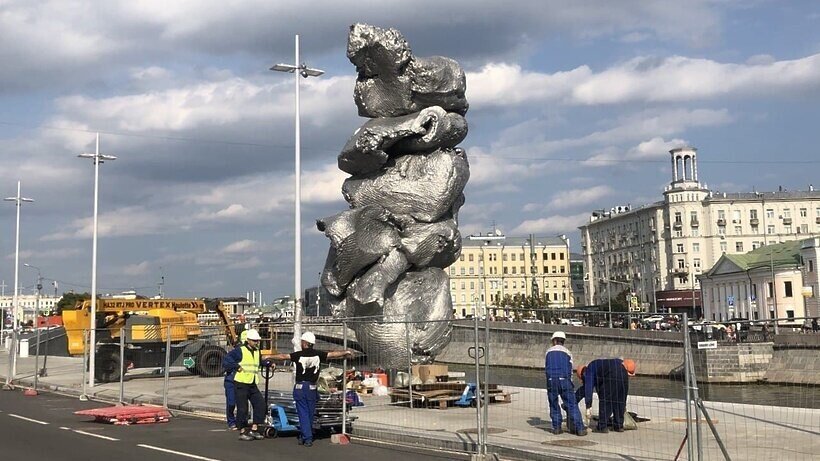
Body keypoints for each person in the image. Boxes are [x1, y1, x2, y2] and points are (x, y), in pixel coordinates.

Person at [268, 331, 353, 447]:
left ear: (305, 343)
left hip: (300, 388)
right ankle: (304, 435)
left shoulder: (298, 355)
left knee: (302, 413)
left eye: (302, 341)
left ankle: (307, 437)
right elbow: (333, 354)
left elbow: (283, 356)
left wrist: (268, 356)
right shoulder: (318, 354)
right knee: (309, 413)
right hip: (312, 388)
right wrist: (346, 352)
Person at [222, 329, 266, 441]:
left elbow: (259, 362)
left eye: (257, 341)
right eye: (254, 341)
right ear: (248, 341)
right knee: (242, 409)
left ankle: (254, 429)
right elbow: (227, 359)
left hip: (252, 382)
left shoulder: (257, 351)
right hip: (241, 383)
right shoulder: (240, 351)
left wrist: (269, 363)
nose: (256, 342)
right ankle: (242, 431)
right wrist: (236, 367)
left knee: (260, 404)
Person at [575, 358, 636, 433]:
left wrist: (588, 405)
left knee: (606, 401)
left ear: (583, 374)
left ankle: (602, 427)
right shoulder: (601, 365)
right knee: (620, 400)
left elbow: (588, 388)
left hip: (612, 374)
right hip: (623, 372)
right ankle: (619, 425)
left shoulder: (589, 370)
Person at [544, 331, 587, 436]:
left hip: (551, 380)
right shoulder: (568, 352)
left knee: (553, 404)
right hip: (564, 380)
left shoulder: (548, 352)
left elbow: (547, 368)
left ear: (554, 341)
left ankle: (557, 428)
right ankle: (580, 429)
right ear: (563, 341)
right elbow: (570, 370)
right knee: (572, 404)